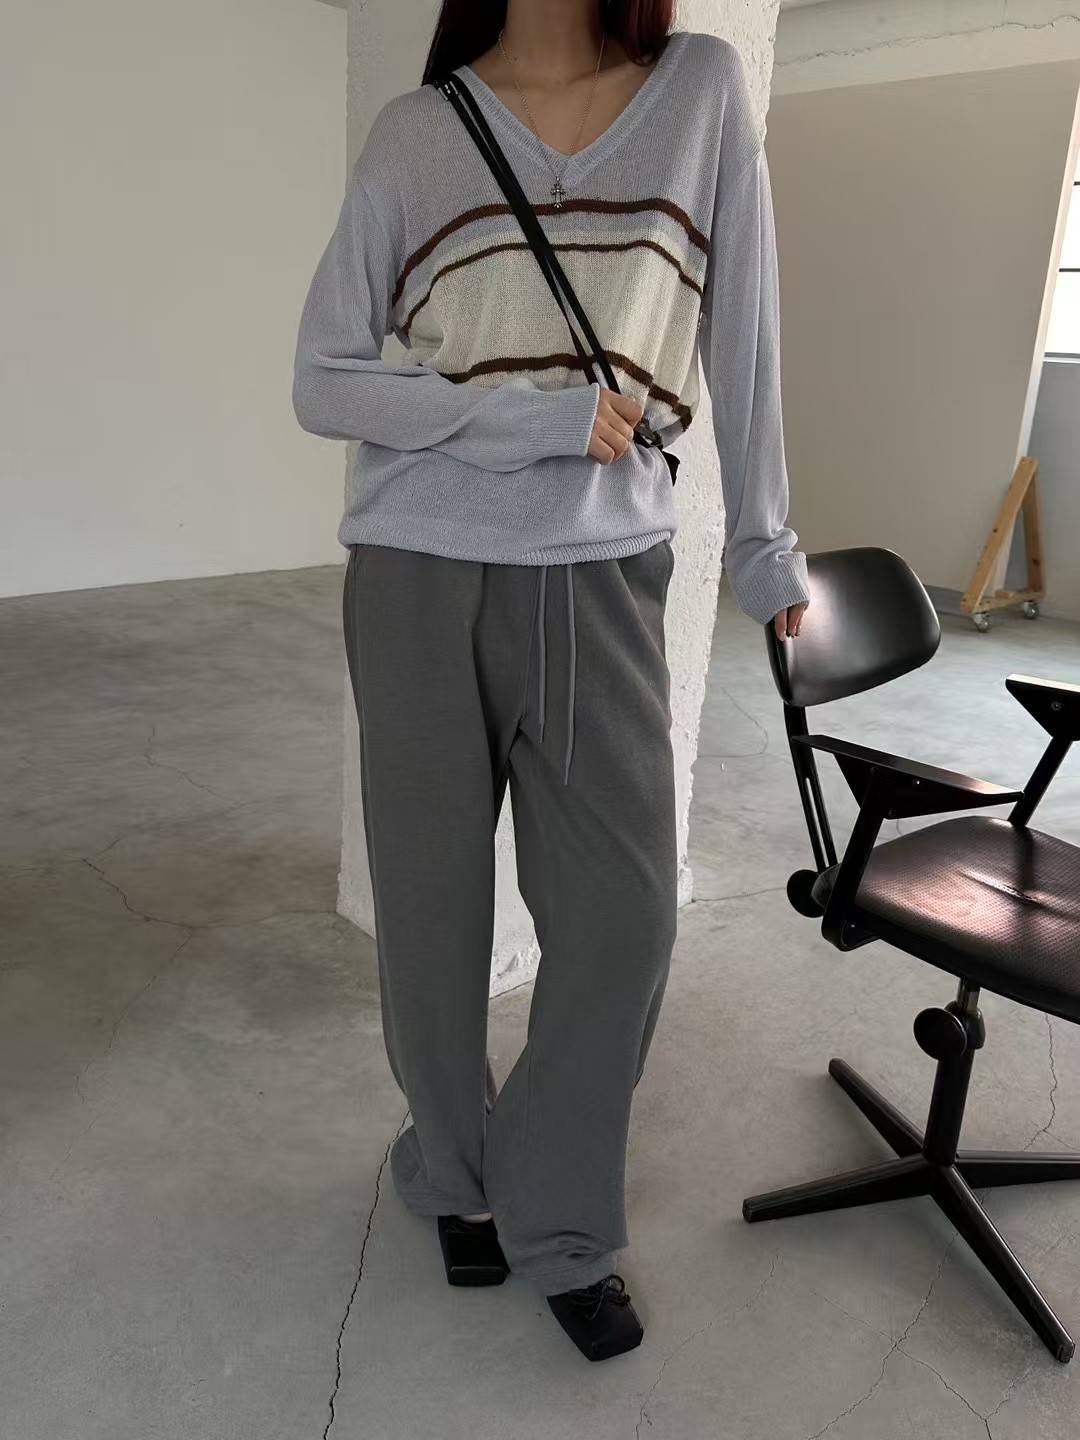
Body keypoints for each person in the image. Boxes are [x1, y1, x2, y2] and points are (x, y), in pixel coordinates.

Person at [293, 0, 809, 1363]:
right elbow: (323, 380)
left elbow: (747, 328)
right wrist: (523, 420)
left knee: (626, 920)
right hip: (416, 570)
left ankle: (557, 1210)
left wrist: (766, 549)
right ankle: (452, 1173)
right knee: (431, 919)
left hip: (602, 574)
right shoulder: (417, 132)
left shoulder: (697, 91)